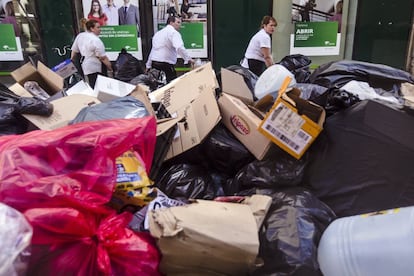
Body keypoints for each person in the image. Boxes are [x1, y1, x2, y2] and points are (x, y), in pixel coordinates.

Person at [145, 16, 193, 83]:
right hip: (166, 65)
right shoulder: (173, 33)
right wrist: (187, 58)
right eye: (178, 22)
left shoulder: (158, 34)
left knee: (156, 86)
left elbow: (153, 50)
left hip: (155, 64)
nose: (180, 25)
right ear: (171, 23)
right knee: (171, 87)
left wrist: (148, 65)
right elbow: (179, 47)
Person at [70, 19, 113, 88]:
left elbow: (74, 51)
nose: (100, 29)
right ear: (92, 29)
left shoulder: (80, 36)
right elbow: (102, 58)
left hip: (84, 66)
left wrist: (72, 63)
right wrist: (110, 68)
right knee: (100, 87)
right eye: (98, 27)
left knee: (90, 85)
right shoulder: (96, 40)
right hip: (96, 67)